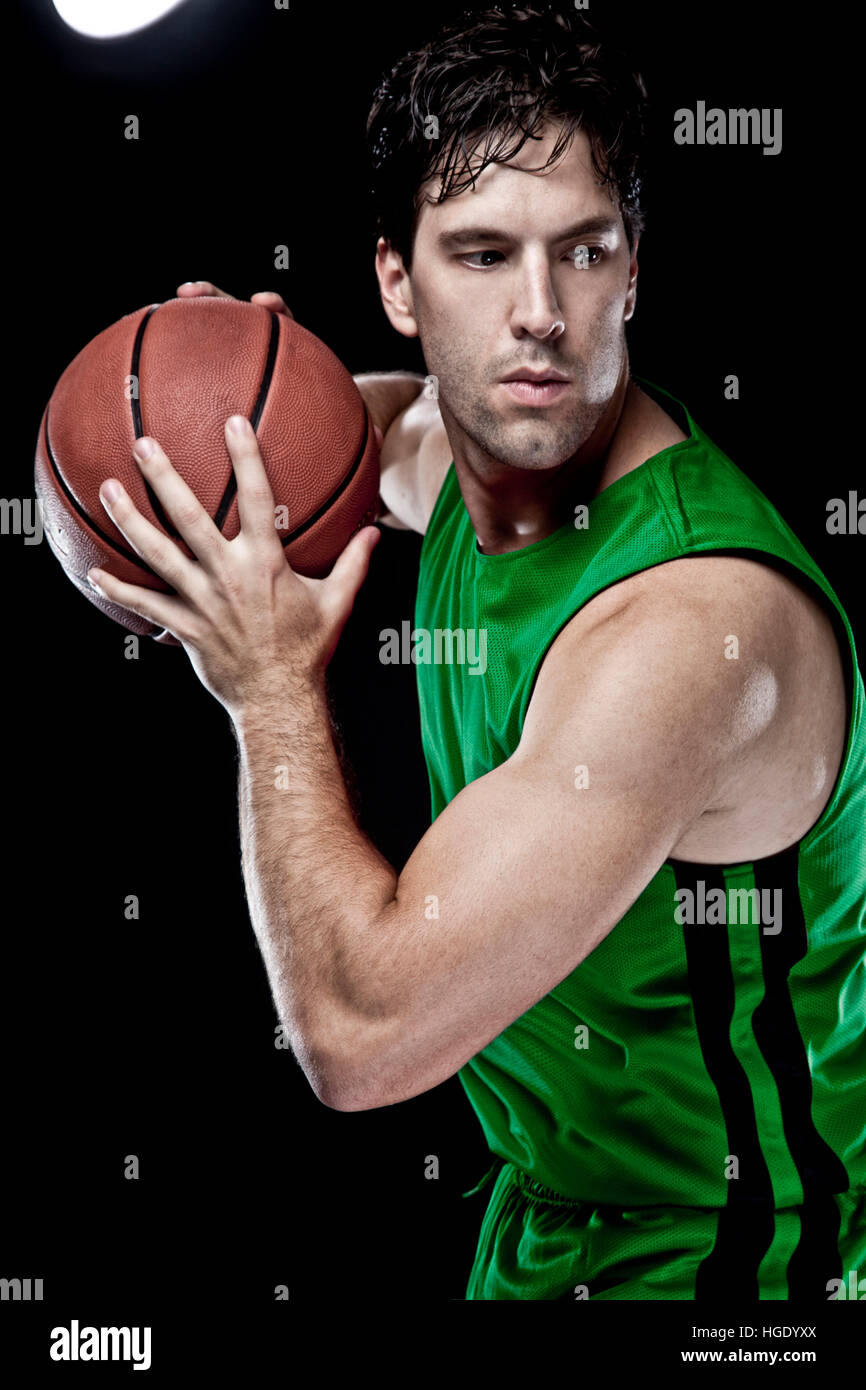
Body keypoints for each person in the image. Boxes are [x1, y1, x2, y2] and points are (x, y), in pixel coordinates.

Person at [86, 5, 865, 1300]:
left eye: (582, 252)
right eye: (481, 255)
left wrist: (269, 690)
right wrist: (216, 381)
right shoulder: (440, 457)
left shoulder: (685, 632)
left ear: (633, 269)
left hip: (738, 1260)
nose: (538, 315)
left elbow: (356, 1036)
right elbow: (307, 446)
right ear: (397, 281)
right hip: (551, 1226)